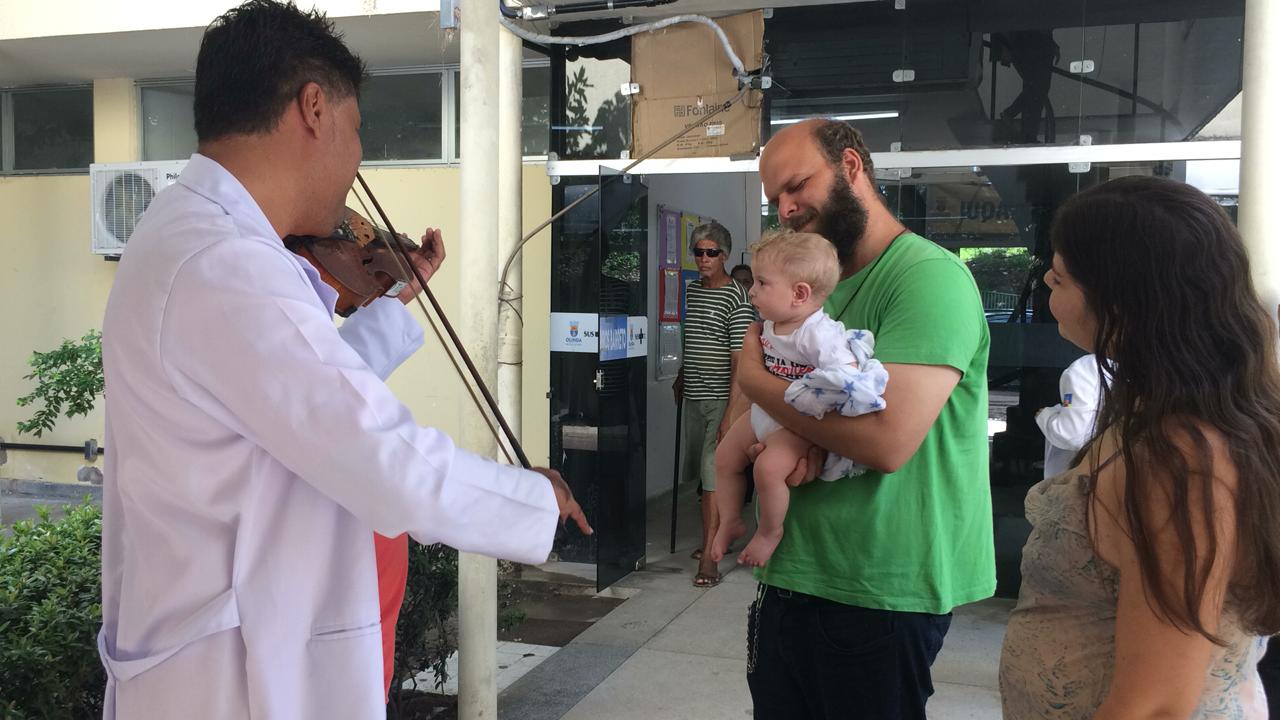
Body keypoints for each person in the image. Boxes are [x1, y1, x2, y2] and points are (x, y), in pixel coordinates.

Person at [95, 3, 590, 718]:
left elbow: (291, 396)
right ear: (314, 109)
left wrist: (393, 305)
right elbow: (376, 452)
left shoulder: (190, 233)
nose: (358, 161)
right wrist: (530, 498)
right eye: (357, 130)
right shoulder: (224, 261)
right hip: (230, 680)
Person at [999, 176, 1280, 718]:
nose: (1048, 293)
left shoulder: (1183, 459)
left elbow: (1155, 705)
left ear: (1123, 305)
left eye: (1058, 279)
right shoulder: (1159, 412)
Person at [743, 118, 993, 718]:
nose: (786, 209)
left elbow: (885, 441)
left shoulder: (927, 277)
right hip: (792, 573)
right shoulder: (807, 285)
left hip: (879, 588)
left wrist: (753, 381)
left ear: (850, 167)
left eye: (797, 186)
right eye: (775, 198)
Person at [710, 229, 887, 568]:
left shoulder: (817, 333)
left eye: (762, 283)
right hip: (765, 411)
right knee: (724, 457)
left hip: (795, 423)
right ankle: (730, 520)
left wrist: (820, 396)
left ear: (799, 293)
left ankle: (769, 532)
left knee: (767, 470)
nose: (752, 290)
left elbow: (847, 377)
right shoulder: (770, 324)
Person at [674, 221, 755, 587]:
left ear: (725, 255)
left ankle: (710, 556)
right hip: (694, 395)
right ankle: (715, 536)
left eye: (711, 252)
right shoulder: (692, 291)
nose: (703, 258)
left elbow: (740, 362)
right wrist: (681, 375)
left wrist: (731, 414)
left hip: (723, 399)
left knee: (712, 477)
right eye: (698, 252)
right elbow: (692, 339)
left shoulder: (737, 298)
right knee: (701, 477)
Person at [1035, 353, 1104, 478]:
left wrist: (1047, 416)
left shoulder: (1084, 370)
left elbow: (1072, 434)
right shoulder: (1132, 366)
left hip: (1088, 476)